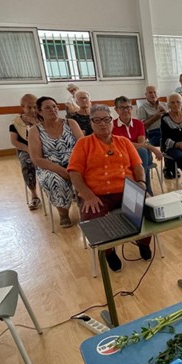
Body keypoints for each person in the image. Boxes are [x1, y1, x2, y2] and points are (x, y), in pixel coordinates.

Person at [68, 104, 151, 272]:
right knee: (92, 217)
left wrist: (141, 184)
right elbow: (74, 173)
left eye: (106, 120)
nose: (102, 124)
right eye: (97, 120)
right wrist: (88, 195)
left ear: (112, 122)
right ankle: (109, 251)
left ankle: (143, 242)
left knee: (148, 209)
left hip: (127, 190)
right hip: (97, 194)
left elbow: (138, 167)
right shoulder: (83, 144)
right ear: (91, 123)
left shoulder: (124, 142)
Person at [28, 96, 83, 227]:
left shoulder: (71, 123)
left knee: (93, 173)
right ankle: (63, 214)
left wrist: (73, 167)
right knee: (56, 180)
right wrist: (62, 171)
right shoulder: (35, 130)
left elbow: (83, 145)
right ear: (40, 112)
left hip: (75, 162)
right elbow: (37, 158)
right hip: (49, 166)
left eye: (54, 106)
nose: (53, 109)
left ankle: (90, 208)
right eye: (47, 107)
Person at [112, 96, 163, 196]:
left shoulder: (138, 123)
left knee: (142, 152)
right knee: (142, 153)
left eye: (128, 107)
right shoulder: (112, 125)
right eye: (122, 108)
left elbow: (141, 144)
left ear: (132, 108)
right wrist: (152, 147)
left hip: (140, 154)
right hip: (122, 155)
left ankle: (142, 191)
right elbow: (121, 145)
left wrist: (143, 147)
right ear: (116, 110)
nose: (126, 110)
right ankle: (146, 191)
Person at [10, 94, 41, 210]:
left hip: (44, 147)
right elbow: (14, 141)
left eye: (35, 107)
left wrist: (34, 123)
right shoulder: (16, 122)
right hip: (26, 149)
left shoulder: (42, 118)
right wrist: (29, 149)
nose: (33, 110)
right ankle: (34, 195)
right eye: (29, 107)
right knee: (27, 162)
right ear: (23, 107)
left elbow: (47, 134)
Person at [137, 85, 174, 178]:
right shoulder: (142, 108)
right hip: (153, 133)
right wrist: (156, 116)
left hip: (168, 131)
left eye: (154, 92)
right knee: (166, 140)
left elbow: (174, 120)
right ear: (146, 95)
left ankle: (172, 166)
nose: (153, 94)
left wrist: (167, 114)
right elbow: (142, 126)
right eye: (150, 92)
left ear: (158, 94)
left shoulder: (165, 105)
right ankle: (168, 168)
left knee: (174, 138)